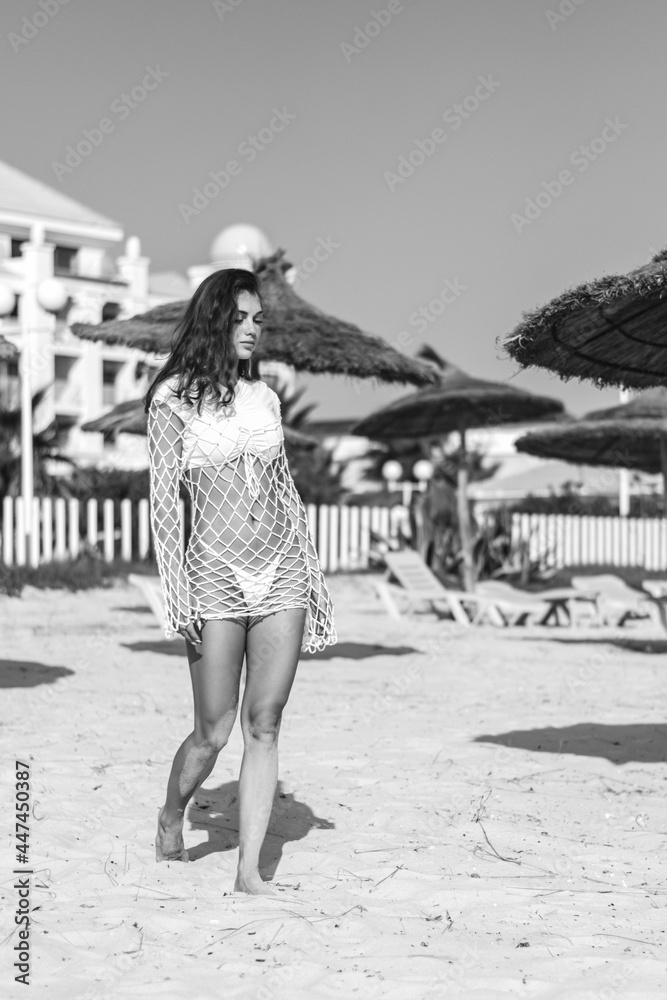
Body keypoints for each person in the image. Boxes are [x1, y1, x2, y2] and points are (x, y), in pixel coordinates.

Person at [143, 267, 337, 895]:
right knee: (214, 731)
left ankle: (248, 872)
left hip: (281, 569)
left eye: (258, 321)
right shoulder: (172, 397)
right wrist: (176, 590)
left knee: (266, 722)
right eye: (240, 319)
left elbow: (285, 491)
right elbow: (166, 504)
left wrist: (312, 574)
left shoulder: (266, 399)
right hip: (213, 575)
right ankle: (174, 814)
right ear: (214, 320)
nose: (252, 331)